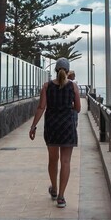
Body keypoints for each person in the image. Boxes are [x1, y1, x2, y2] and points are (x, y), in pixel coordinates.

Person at [29, 57, 81, 208]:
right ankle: (61, 197)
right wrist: (69, 105)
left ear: (55, 70)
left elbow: (41, 107)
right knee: (65, 161)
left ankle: (54, 188)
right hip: (67, 127)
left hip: (51, 127)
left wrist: (33, 127)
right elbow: (78, 109)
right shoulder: (73, 87)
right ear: (68, 69)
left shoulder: (46, 86)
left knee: (53, 159)